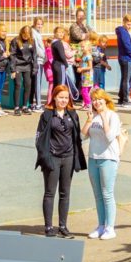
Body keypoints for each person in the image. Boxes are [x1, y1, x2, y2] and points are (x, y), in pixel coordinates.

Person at [35, 86, 86, 238]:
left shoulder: (73, 114)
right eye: (60, 97)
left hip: (68, 157)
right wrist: (46, 157)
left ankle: (63, 226)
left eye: (66, 97)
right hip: (53, 157)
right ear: (54, 98)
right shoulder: (47, 115)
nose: (63, 100)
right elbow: (39, 139)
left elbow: (77, 136)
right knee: (50, 192)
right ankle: (49, 226)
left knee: (65, 193)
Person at [86, 89, 127, 240]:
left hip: (108, 158)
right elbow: (83, 136)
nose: (97, 102)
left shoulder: (112, 116)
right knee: (98, 195)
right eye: (94, 100)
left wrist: (104, 119)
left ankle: (110, 227)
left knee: (107, 194)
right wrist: (90, 120)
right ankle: (101, 225)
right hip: (93, 158)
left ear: (105, 100)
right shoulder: (94, 116)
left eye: (99, 99)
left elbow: (110, 137)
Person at [10, 26, 38, 116]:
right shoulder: (16, 40)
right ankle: (16, 107)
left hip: (28, 66)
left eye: (28, 34)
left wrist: (35, 67)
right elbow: (12, 55)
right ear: (21, 33)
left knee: (28, 85)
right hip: (18, 65)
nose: (26, 36)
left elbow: (34, 55)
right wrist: (13, 69)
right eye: (24, 34)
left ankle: (25, 106)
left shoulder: (32, 41)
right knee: (18, 85)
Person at [113, 15, 131, 106]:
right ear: (124, 22)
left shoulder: (123, 31)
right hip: (127, 58)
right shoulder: (123, 32)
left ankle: (122, 98)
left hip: (126, 58)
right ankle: (125, 99)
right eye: (128, 24)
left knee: (125, 78)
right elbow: (127, 45)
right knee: (127, 79)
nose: (130, 26)